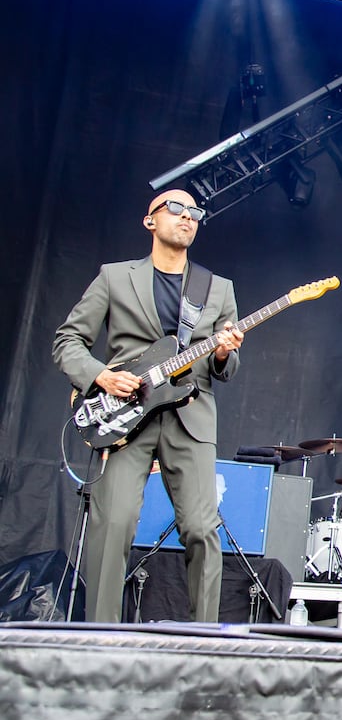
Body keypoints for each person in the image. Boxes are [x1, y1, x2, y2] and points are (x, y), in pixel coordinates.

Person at [53, 189, 244, 623]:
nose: (187, 217)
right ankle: (101, 638)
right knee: (113, 524)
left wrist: (221, 353)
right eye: (176, 208)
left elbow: (227, 368)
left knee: (201, 529)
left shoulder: (218, 288)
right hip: (124, 417)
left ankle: (205, 641)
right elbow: (68, 340)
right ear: (150, 221)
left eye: (195, 212)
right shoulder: (114, 277)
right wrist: (101, 376)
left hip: (189, 417)